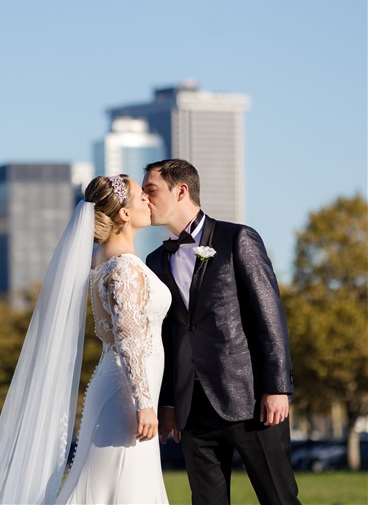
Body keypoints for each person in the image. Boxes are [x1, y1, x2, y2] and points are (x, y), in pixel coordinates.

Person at [0, 174, 170, 505]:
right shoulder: (124, 269)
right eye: (141, 197)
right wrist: (145, 403)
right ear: (124, 214)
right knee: (121, 489)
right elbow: (129, 340)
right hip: (128, 397)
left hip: (124, 391)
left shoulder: (106, 265)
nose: (149, 200)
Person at [141, 159, 299, 505]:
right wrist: (168, 402)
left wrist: (276, 388)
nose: (143, 198)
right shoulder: (154, 261)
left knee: (279, 498)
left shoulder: (237, 238)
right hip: (192, 409)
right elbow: (167, 337)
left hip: (251, 401)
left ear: (180, 190)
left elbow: (269, 317)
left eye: (150, 190)